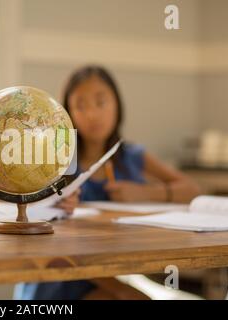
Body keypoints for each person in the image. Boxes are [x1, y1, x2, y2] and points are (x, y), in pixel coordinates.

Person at [15, 65, 201, 300]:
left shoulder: (131, 155)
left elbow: (192, 190)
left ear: (117, 106)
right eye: (80, 106)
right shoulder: (57, 158)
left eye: (101, 103)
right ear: (67, 113)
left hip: (107, 274)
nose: (92, 114)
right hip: (61, 275)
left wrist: (143, 193)